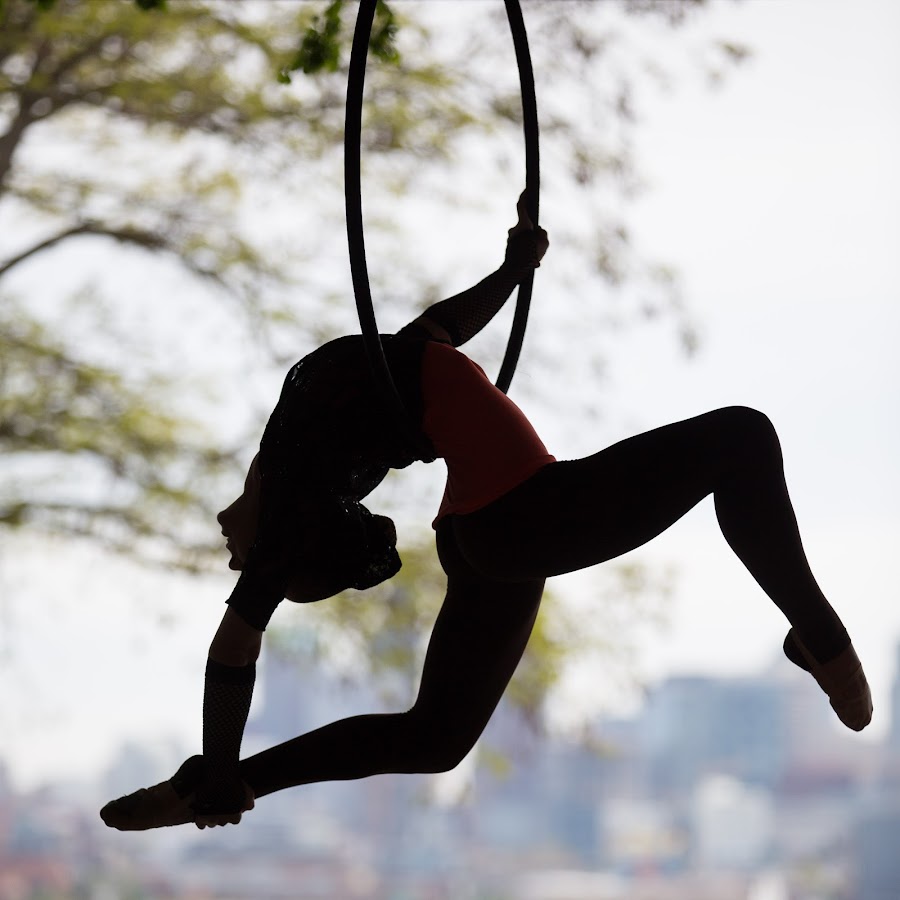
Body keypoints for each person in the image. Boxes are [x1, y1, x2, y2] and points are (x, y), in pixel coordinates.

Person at [100, 194, 872, 832]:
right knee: (741, 437)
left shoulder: (308, 430)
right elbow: (234, 647)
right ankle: (821, 637)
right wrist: (217, 752)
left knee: (435, 739)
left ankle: (224, 784)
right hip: (519, 513)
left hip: (486, 531)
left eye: (244, 555)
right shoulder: (298, 489)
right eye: (253, 558)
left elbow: (430, 334)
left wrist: (509, 271)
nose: (230, 551)